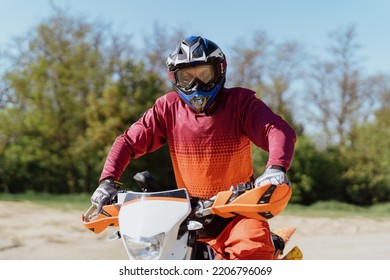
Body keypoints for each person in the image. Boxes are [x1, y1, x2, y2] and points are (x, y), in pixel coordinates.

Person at [91, 35, 296, 260]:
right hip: (186, 217)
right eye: (187, 77)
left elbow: (276, 129)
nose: (196, 85)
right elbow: (128, 142)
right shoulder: (166, 108)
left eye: (204, 74)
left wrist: (275, 168)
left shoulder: (240, 103)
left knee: (252, 256)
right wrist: (106, 181)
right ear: (174, 78)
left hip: (241, 213)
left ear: (219, 70)